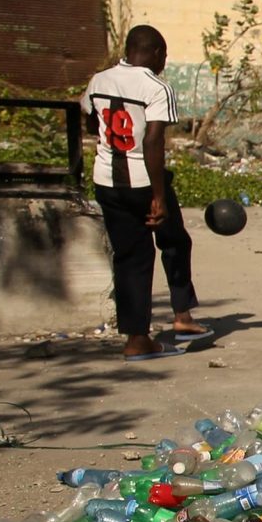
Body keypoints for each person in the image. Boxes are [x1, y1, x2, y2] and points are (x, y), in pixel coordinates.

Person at [84, 23, 206, 357]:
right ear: (153, 52)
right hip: (143, 180)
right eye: (163, 54)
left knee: (130, 257)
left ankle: (138, 336)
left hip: (107, 180)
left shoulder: (99, 80)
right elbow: (153, 141)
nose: (164, 61)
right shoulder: (155, 86)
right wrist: (158, 197)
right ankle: (178, 316)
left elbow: (89, 121)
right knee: (174, 240)